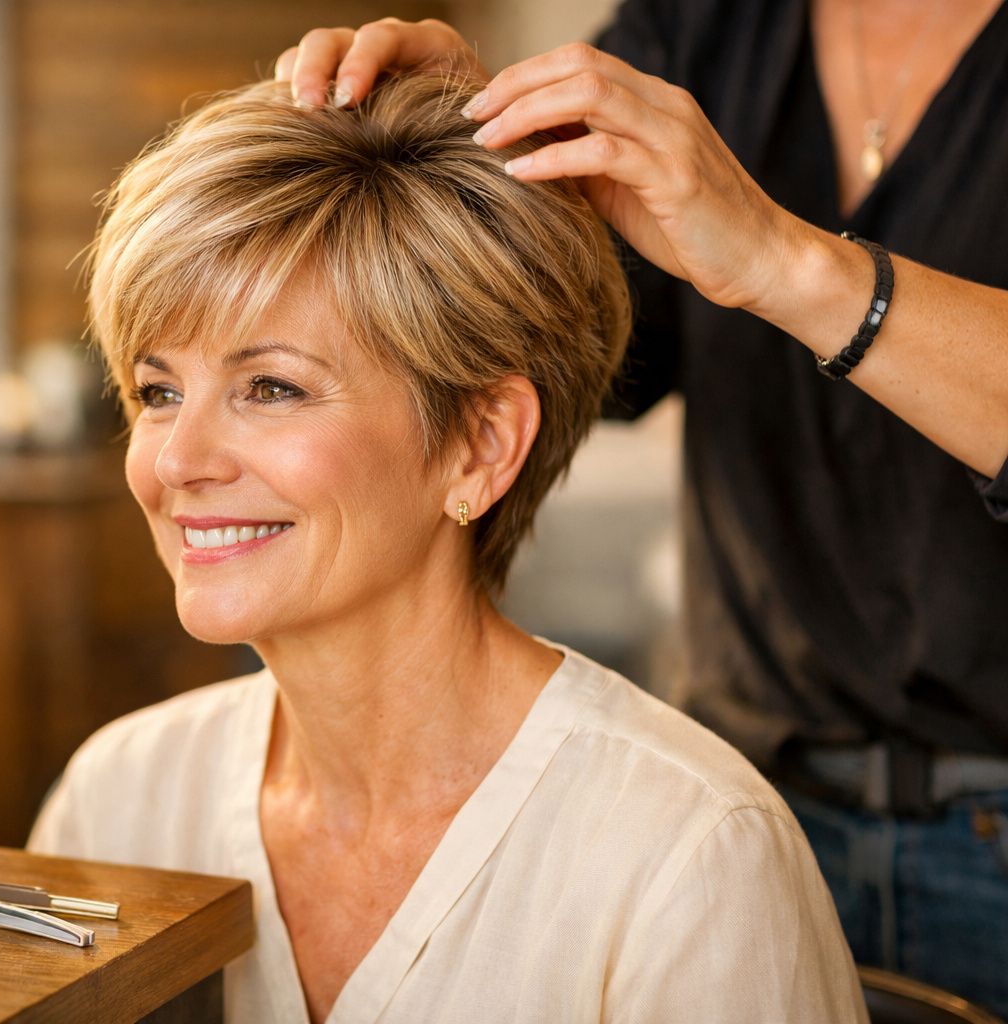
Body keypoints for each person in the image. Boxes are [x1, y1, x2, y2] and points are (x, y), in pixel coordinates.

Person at [27, 71, 864, 1022]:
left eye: (272, 388)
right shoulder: (120, 797)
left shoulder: (690, 852)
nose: (177, 460)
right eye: (158, 391)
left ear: (480, 445)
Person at [271, 1, 1008, 1014]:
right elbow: (570, 348)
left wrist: (783, 258)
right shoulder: (701, 28)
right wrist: (468, 156)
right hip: (748, 796)